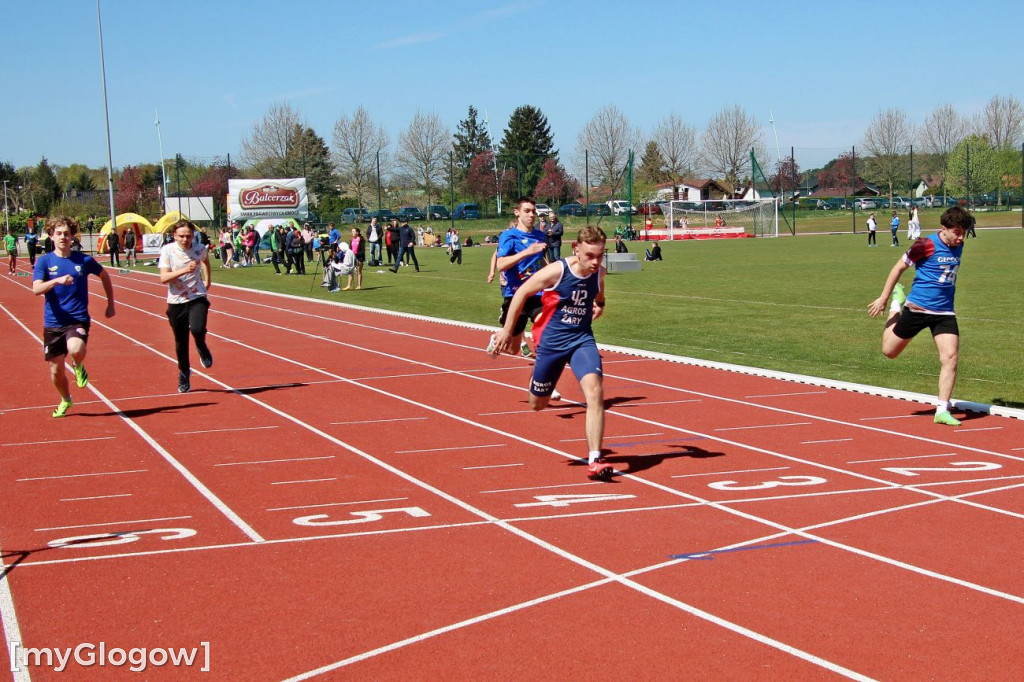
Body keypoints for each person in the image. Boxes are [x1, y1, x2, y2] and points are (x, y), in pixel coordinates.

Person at [491, 225, 611, 479]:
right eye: (590, 255)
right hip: (552, 343)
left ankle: (595, 459)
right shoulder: (558, 271)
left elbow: (599, 291)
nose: (595, 261)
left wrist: (599, 304)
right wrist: (506, 331)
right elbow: (522, 292)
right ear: (575, 249)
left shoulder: (599, 271)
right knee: (538, 404)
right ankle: (536, 380)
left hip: (581, 339)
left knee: (595, 392)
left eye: (600, 255)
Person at [867, 206, 970, 427]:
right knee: (889, 352)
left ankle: (942, 409)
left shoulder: (958, 245)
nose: (961, 238)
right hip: (917, 309)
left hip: (944, 312)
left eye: (964, 232)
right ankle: (897, 302)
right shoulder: (926, 245)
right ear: (945, 228)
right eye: (957, 232)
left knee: (950, 357)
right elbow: (898, 268)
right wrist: (885, 298)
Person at [32, 217, 116, 417]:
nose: (63, 237)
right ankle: (66, 399)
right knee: (56, 372)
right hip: (53, 323)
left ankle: (78, 365)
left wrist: (110, 304)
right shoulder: (44, 261)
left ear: (72, 237)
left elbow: (104, 276)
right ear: (51, 236)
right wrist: (57, 281)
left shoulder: (83, 260)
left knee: (75, 348)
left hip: (77, 319)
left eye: (67, 234)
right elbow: (36, 289)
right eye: (59, 233)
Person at [487, 197, 549, 360]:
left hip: (536, 294)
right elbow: (501, 264)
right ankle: (497, 337)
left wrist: (553, 273)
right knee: (514, 350)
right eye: (527, 211)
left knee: (546, 325)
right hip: (515, 295)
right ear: (517, 212)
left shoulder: (540, 236)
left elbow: (540, 260)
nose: (531, 215)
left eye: (533, 212)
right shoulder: (509, 236)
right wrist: (527, 252)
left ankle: (544, 362)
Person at [158, 219, 213, 394]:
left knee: (197, 328)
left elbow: (206, 261)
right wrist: (184, 270)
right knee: (181, 342)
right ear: (175, 235)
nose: (185, 239)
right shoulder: (168, 251)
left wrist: (208, 280)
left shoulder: (199, 249)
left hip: (197, 296)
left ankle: (202, 346)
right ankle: (184, 372)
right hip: (176, 301)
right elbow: (164, 278)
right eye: (181, 236)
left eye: (188, 236)